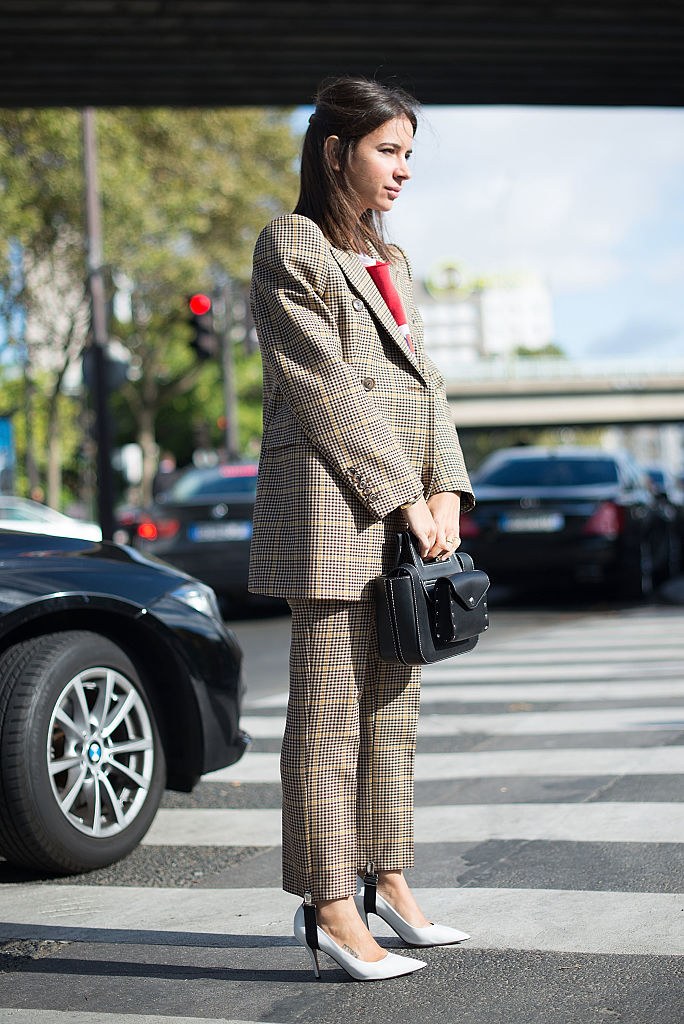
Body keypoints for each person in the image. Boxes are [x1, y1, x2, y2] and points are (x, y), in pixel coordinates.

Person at [248, 75, 475, 981]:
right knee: (330, 720)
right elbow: (324, 388)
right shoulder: (290, 244)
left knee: (393, 713)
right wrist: (404, 496)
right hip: (333, 514)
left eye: (409, 153)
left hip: (408, 515)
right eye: (388, 150)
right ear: (336, 150)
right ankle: (332, 906)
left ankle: (390, 880)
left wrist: (450, 487)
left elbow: (429, 387)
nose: (403, 170)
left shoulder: (397, 260)